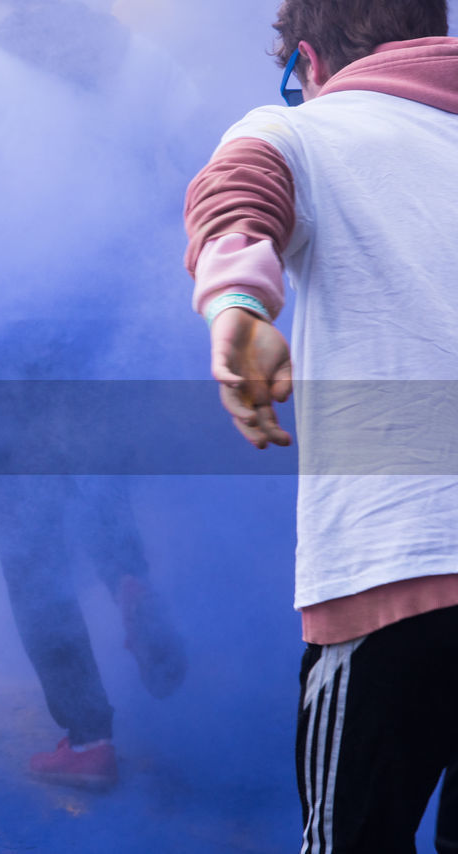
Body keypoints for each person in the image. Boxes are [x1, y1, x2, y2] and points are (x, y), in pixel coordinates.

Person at [183, 1, 458, 849]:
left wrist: (235, 303)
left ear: (308, 60)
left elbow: (237, 195)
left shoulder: (303, 128)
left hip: (398, 564)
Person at [0, 0, 191, 789]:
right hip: (118, 320)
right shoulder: (145, 62)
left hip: (23, 319)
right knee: (101, 487)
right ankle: (130, 581)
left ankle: (86, 735)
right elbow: (196, 162)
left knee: (27, 533)